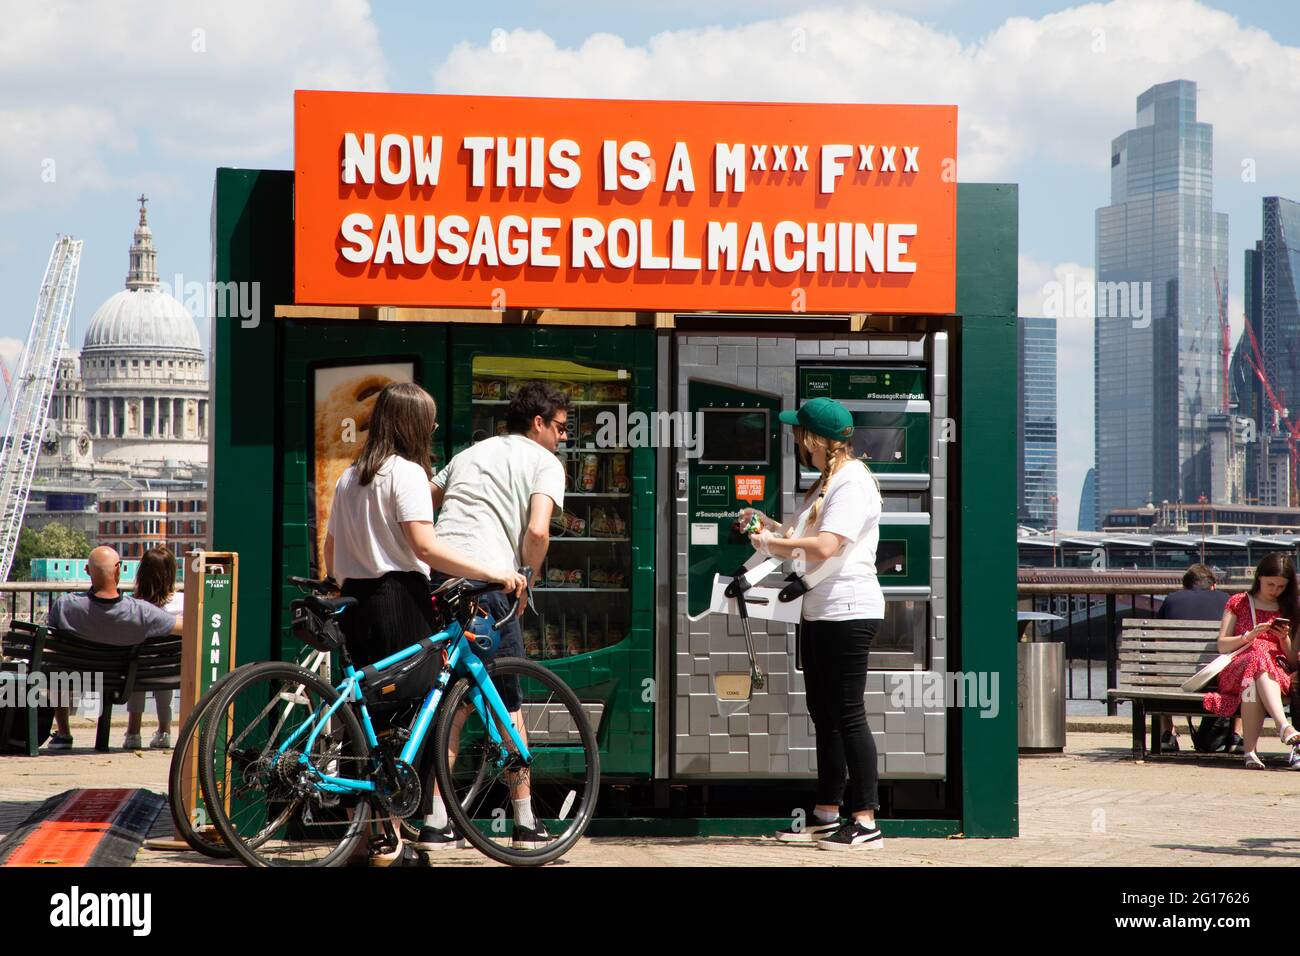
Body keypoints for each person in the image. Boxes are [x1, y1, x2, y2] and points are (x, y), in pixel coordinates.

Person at [323, 381, 526, 864]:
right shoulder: (408, 474)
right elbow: (426, 548)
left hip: (355, 600)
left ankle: (374, 836)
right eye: (429, 421)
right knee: (411, 719)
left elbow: (331, 550)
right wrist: (493, 571)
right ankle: (388, 842)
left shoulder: (350, 476)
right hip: (399, 599)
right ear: (413, 425)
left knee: (372, 722)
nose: (433, 429)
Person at [426, 380, 568, 852]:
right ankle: (526, 822)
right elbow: (538, 529)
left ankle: (436, 820)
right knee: (506, 701)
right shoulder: (546, 463)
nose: (564, 437)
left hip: (440, 582)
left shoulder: (470, 454)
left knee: (448, 703)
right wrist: (527, 576)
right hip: (490, 585)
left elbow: (427, 498)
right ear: (538, 424)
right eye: (561, 427)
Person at [742, 396, 885, 851]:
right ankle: (827, 814)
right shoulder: (828, 481)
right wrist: (765, 527)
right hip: (821, 611)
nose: (795, 441)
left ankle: (865, 820)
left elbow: (823, 546)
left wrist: (769, 543)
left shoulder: (851, 483)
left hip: (849, 610)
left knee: (848, 714)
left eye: (798, 433)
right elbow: (800, 537)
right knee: (825, 715)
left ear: (815, 439)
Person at [45, 546, 183, 750]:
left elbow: (51, 642)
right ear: (118, 570)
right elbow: (189, 628)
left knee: (58, 671)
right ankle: (163, 730)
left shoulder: (65, 605)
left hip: (79, 675)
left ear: (87, 570)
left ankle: (64, 734)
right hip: (124, 677)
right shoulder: (141, 612)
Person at [1203, 552, 1300, 769]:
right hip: (1237, 667)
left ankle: (1250, 753)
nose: (1275, 590)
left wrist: (1283, 638)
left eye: (1281, 586)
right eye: (1270, 584)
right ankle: (1282, 725)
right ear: (1259, 578)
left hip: (1273, 675)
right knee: (1257, 656)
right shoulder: (1239, 602)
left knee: (1255, 679)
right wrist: (1249, 636)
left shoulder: (1291, 609)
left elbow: (1293, 660)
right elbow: (1223, 645)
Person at [1155, 563, 1237, 753]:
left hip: (1175, 681)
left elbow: (1158, 640)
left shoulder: (1171, 599)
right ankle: (1236, 736)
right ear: (1213, 585)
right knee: (1241, 669)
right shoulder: (1227, 599)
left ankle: (1167, 732)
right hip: (1217, 680)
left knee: (1161, 667)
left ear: (1186, 586)